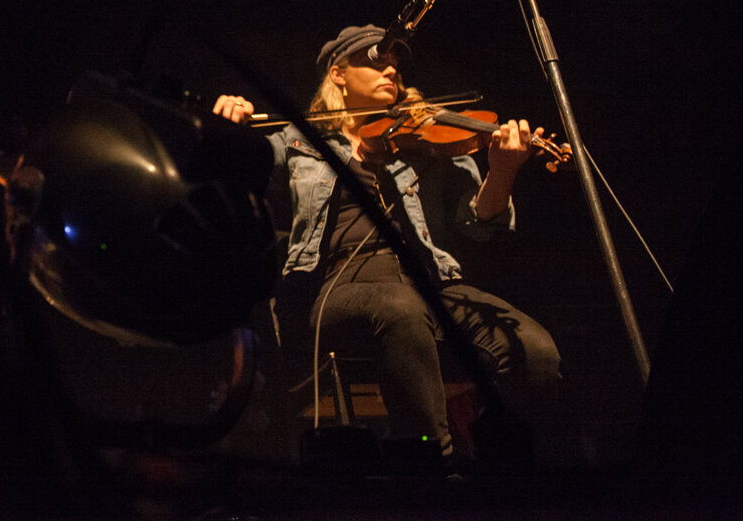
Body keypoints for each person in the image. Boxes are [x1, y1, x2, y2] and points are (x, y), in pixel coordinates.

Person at [213, 24, 561, 464]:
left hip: (431, 281)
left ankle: (505, 468)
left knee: (534, 350)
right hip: (339, 285)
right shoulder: (301, 140)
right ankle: (436, 467)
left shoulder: (422, 139)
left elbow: (479, 224)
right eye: (376, 61)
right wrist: (229, 129)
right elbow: (240, 173)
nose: (391, 69)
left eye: (395, 63)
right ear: (339, 74)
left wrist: (504, 171)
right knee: (400, 310)